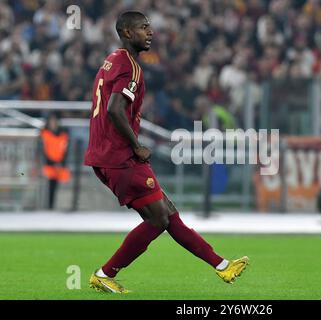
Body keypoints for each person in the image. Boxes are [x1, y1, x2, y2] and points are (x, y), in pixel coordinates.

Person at [84, 11, 249, 294]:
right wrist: (136, 146)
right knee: (158, 219)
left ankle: (222, 265)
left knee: (167, 213)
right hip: (120, 156)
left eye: (150, 27)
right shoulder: (130, 67)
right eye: (143, 28)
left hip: (108, 154)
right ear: (126, 33)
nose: (150, 32)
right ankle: (104, 274)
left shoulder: (112, 60)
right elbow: (114, 109)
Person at [40, 112, 71, 209]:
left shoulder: (63, 135)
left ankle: (58, 208)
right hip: (48, 166)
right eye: (51, 121)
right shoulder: (44, 134)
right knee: (48, 188)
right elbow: (42, 151)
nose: (53, 123)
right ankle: (48, 207)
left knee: (62, 187)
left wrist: (61, 163)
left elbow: (66, 151)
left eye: (54, 121)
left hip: (60, 166)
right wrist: (53, 163)